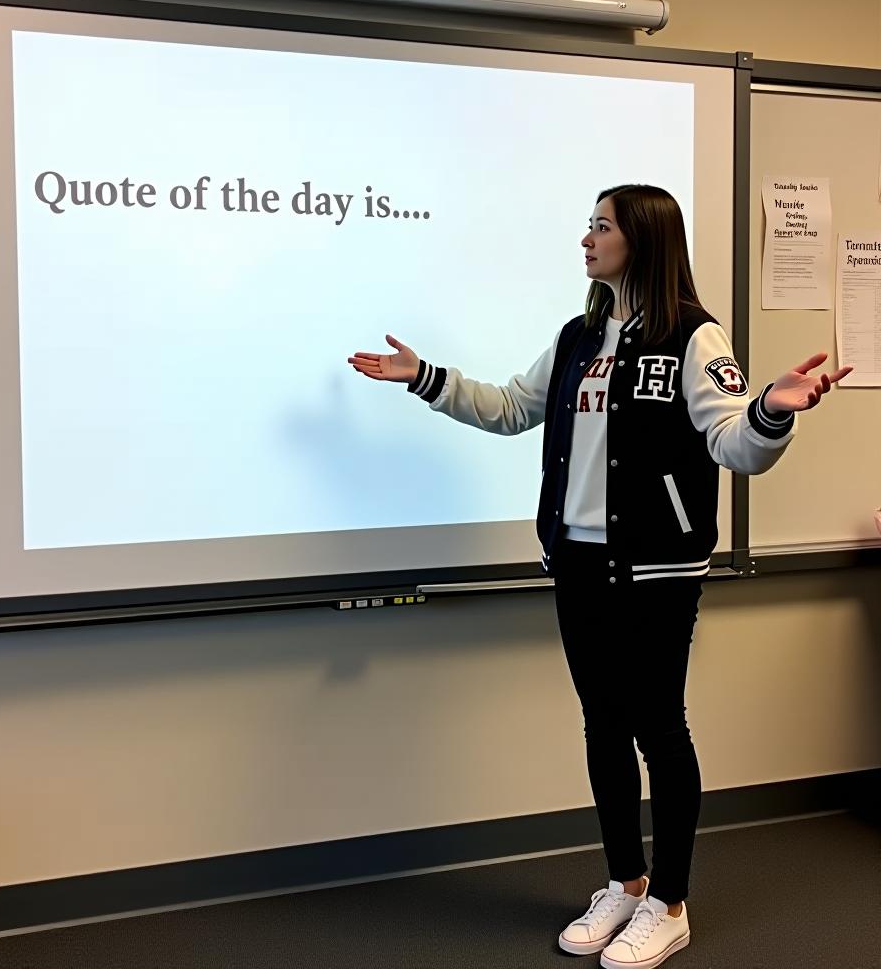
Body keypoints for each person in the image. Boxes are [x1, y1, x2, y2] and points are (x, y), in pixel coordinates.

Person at [347, 184, 851, 969]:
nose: (587, 238)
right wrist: (426, 377)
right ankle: (625, 880)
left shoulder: (695, 335)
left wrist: (771, 411)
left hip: (657, 569)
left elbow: (734, 445)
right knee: (603, 725)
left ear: (642, 238)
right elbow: (513, 408)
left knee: (659, 726)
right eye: (589, 223)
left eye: (601, 225)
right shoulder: (581, 335)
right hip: (578, 562)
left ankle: (671, 903)